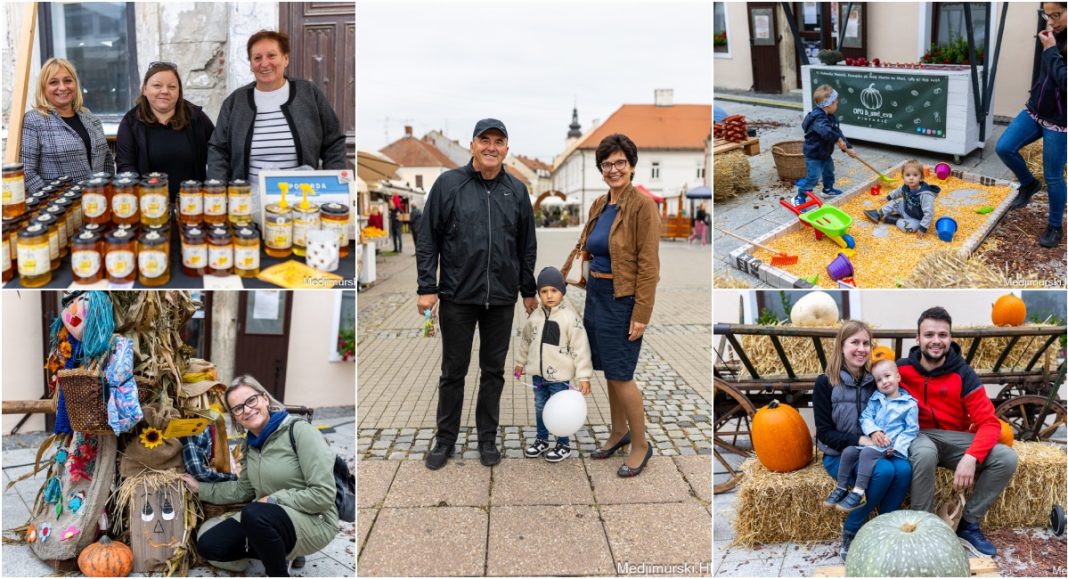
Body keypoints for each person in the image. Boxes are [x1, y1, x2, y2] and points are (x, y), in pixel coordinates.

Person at [416, 118, 537, 470]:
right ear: (472, 145)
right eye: (485, 140)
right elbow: (428, 239)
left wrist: (527, 290)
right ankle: (445, 439)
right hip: (457, 296)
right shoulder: (448, 185)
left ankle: (487, 438)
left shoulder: (516, 191)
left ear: (506, 149)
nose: (491, 147)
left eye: (498, 142)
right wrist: (427, 287)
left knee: (493, 372)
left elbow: (527, 245)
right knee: (453, 371)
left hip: (500, 298)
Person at [566, 133, 660, 478]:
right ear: (601, 170)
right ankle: (617, 432)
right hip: (597, 298)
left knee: (622, 374)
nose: (614, 169)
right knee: (607, 370)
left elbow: (649, 265)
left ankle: (640, 445)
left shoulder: (642, 206)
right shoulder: (600, 205)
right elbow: (588, 247)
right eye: (607, 164)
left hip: (624, 301)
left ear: (632, 166)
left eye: (620, 162)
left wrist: (641, 314)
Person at [181, 376, 337, 577]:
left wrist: (273, 500)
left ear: (265, 399)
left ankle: (278, 572)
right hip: (267, 518)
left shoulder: (300, 432)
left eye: (251, 400)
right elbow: (243, 489)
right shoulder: (251, 444)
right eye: (237, 408)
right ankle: (282, 549)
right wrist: (199, 488)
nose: (246, 410)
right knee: (210, 545)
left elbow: (323, 495)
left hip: (315, 519)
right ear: (235, 417)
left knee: (254, 513)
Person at [899, 307, 1018, 557]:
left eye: (942, 335)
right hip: (918, 436)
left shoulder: (963, 374)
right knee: (924, 452)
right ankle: (922, 528)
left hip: (955, 440)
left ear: (950, 338)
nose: (936, 341)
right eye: (929, 334)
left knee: (1006, 457)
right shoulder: (901, 371)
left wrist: (971, 456)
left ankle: (968, 525)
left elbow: (989, 423)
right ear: (917, 338)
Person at [207, 30, 346, 215]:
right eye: (257, 58)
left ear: (286, 59)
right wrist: (218, 193)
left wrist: (333, 188)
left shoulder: (309, 94)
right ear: (251, 64)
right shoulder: (235, 102)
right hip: (247, 204)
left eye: (271, 55)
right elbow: (218, 149)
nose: (264, 63)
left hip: (302, 204)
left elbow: (334, 141)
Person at [813, 320, 912, 562]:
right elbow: (824, 432)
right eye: (854, 342)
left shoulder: (875, 381)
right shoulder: (826, 383)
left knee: (904, 469)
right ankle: (852, 529)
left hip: (877, 451)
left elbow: (896, 406)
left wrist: (890, 443)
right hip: (842, 456)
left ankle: (884, 528)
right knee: (884, 473)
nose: (861, 348)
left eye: (866, 343)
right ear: (842, 346)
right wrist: (862, 439)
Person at [995, 2, 1067, 248]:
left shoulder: (1053, 45)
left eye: (1057, 15)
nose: (1052, 21)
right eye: (1048, 15)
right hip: (1035, 110)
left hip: (1060, 121)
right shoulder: (1053, 36)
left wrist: (1050, 51)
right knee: (1004, 147)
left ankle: (1055, 226)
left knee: (1054, 176)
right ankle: (1028, 183)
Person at [514, 267, 593, 462]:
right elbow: (525, 341)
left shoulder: (570, 319)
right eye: (544, 291)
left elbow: (580, 349)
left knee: (559, 411)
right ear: (539, 293)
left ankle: (563, 444)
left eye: (554, 291)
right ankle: (542, 439)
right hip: (539, 375)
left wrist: (583, 376)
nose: (549, 296)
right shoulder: (535, 317)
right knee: (541, 407)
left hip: (560, 377)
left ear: (562, 292)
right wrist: (519, 362)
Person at [824, 359, 918, 513]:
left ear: (898, 377)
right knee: (848, 451)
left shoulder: (909, 404)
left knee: (868, 453)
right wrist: (873, 431)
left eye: (887, 376)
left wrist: (896, 448)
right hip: (871, 442)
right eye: (879, 380)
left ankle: (859, 492)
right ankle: (841, 488)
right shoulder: (876, 399)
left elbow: (911, 430)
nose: (884, 382)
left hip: (889, 447)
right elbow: (865, 418)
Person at [116, 61, 215, 199]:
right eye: (157, 85)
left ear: (179, 91)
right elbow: (125, 166)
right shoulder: (130, 122)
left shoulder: (196, 118)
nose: (165, 91)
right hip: (149, 206)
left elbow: (218, 153)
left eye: (172, 86)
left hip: (194, 204)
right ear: (144, 89)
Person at [20, 57, 115, 195]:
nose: (63, 87)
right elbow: (27, 172)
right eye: (53, 82)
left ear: (75, 84)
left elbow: (106, 160)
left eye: (68, 80)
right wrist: (54, 201)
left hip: (97, 204)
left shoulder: (90, 117)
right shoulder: (34, 120)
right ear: (43, 88)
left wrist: (107, 191)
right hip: (58, 210)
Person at [794, 84, 858, 206]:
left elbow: (837, 132)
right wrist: (837, 140)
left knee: (829, 172)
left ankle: (827, 190)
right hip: (814, 155)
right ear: (829, 104)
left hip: (824, 153)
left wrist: (848, 147)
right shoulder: (818, 119)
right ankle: (800, 196)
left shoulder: (829, 116)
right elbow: (826, 132)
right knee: (813, 178)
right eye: (836, 104)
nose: (837, 106)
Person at [863, 160, 941, 236]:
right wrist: (888, 197)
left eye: (915, 175)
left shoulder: (925, 194)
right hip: (905, 208)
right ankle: (877, 214)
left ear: (921, 177)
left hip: (917, 218)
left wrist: (923, 227)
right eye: (908, 175)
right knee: (895, 202)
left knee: (908, 228)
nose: (911, 178)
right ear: (903, 177)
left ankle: (894, 220)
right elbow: (898, 191)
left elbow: (929, 213)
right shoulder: (906, 187)